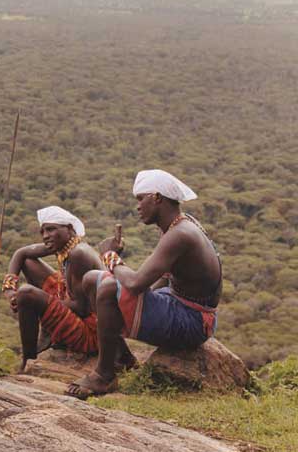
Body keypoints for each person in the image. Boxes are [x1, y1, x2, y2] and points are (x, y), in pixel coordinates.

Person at [67, 169, 222, 399]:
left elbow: (137, 282)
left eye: (141, 199)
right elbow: (159, 277)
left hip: (193, 321)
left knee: (108, 287)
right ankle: (122, 358)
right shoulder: (178, 225)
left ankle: (104, 375)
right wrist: (138, 298)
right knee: (93, 279)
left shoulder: (180, 233)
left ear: (157, 198)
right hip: (181, 305)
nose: (138, 206)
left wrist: (110, 257)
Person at [2, 206, 107, 371]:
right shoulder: (65, 246)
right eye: (42, 231)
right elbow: (21, 254)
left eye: (51, 229)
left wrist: (41, 303)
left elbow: (82, 308)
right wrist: (9, 290)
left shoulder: (79, 254)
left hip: (92, 332)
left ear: (70, 229)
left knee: (26, 293)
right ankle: (44, 334)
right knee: (29, 264)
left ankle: (28, 360)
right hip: (72, 302)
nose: (45, 236)